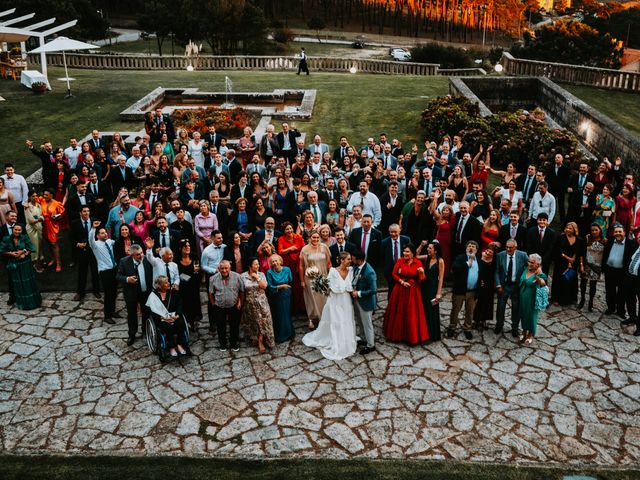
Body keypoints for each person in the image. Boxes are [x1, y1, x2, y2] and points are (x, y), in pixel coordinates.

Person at [302, 252, 358, 360]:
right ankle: (337, 342)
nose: (350, 261)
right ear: (341, 260)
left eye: (350, 259)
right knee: (337, 321)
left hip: (346, 300)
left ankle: (346, 339)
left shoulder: (351, 270)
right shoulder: (333, 271)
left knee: (346, 319)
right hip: (335, 301)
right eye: (348, 259)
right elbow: (328, 286)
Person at [383, 244, 429, 344]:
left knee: (411, 313)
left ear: (413, 253)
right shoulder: (400, 260)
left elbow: (422, 280)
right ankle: (396, 335)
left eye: (407, 252)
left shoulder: (418, 263)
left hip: (413, 290)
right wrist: (401, 281)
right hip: (399, 289)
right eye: (404, 251)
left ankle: (411, 337)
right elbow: (394, 274)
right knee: (398, 312)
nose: (405, 253)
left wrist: (421, 273)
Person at [116, 244, 153, 346]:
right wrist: (128, 279)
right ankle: (132, 334)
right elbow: (118, 276)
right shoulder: (124, 261)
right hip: (131, 293)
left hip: (145, 292)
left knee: (146, 312)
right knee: (132, 315)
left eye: (141, 253)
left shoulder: (147, 259)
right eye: (137, 255)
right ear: (132, 255)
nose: (141, 256)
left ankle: (145, 332)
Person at [146, 275, 191, 358]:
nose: (169, 283)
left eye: (168, 282)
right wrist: (163, 318)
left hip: (174, 316)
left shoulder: (173, 293)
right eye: (166, 283)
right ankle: (171, 347)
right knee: (167, 327)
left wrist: (177, 315)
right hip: (161, 318)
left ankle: (179, 344)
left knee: (180, 323)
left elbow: (179, 305)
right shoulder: (153, 296)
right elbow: (152, 311)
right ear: (160, 285)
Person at [0, 224, 41, 310]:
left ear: (22, 231)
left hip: (25, 264)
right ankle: (22, 303)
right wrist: (11, 253)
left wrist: (24, 252)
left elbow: (31, 248)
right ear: (13, 230)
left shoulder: (25, 237)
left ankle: (32, 302)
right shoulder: (6, 239)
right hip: (14, 265)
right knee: (18, 283)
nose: (17, 231)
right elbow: (2, 250)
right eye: (16, 230)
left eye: (19, 230)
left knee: (27, 282)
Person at [494, 239, 529, 336]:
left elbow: (529, 267)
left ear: (516, 248)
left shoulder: (522, 255)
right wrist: (498, 285)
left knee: (516, 307)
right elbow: (496, 271)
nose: (508, 249)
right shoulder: (500, 255)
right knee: (500, 306)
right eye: (507, 247)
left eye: (511, 247)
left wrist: (524, 279)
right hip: (503, 285)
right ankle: (499, 325)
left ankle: (515, 327)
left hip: (516, 285)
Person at [241, 258, 276, 353]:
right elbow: (242, 290)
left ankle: (262, 342)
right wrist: (241, 302)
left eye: (258, 264)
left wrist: (256, 277)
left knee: (264, 322)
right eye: (255, 264)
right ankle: (256, 340)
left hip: (262, 303)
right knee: (254, 322)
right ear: (250, 266)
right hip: (250, 303)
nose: (258, 266)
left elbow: (264, 286)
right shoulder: (243, 276)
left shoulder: (261, 274)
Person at [448, 241, 481, 340]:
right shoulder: (460, 258)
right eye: (469, 246)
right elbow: (455, 269)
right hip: (460, 290)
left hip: (473, 291)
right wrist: (467, 263)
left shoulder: (479, 260)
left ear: (476, 250)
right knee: (455, 310)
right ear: (466, 249)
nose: (471, 248)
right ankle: (452, 327)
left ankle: (467, 329)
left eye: (473, 246)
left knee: (470, 311)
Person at [209, 260, 244, 352]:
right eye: (222, 268)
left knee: (234, 325)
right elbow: (211, 293)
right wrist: (213, 304)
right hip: (219, 306)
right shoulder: (213, 278)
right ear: (218, 269)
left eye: (226, 268)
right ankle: (222, 343)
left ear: (230, 268)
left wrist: (241, 302)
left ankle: (234, 343)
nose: (224, 270)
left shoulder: (237, 277)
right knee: (220, 326)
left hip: (234, 305)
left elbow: (242, 291)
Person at [299, 230, 332, 330]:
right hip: (310, 277)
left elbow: (329, 263)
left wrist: (331, 276)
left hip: (323, 276)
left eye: (317, 237)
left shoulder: (324, 247)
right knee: (312, 298)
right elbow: (301, 266)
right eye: (313, 237)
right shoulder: (305, 250)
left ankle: (323, 317)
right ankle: (312, 318)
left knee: (323, 297)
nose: (316, 239)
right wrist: (302, 281)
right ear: (309, 238)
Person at [88, 221, 118, 324]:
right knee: (108, 294)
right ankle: (107, 316)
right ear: (97, 235)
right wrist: (93, 228)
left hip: (114, 269)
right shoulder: (95, 245)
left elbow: (119, 243)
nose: (105, 234)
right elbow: (90, 239)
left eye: (105, 232)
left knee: (114, 293)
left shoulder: (109, 241)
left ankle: (113, 311)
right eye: (102, 233)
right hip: (105, 272)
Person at [603, 224, 634, 319]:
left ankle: (621, 311)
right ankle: (611, 308)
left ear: (624, 232)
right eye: (616, 232)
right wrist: (604, 268)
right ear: (613, 233)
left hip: (622, 272)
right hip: (609, 270)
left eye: (620, 231)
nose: (618, 233)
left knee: (622, 292)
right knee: (609, 291)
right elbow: (605, 253)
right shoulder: (610, 241)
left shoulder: (630, 244)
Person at [71, 206, 101, 301]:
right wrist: (77, 244)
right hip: (82, 251)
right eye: (84, 211)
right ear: (80, 213)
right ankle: (80, 292)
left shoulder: (94, 221)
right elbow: (70, 237)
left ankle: (96, 290)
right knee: (82, 272)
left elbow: (99, 234)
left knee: (95, 271)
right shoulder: (75, 223)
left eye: (88, 211)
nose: (87, 213)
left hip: (93, 250)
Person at [350, 250, 378, 354]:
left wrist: (359, 293)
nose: (351, 260)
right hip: (357, 300)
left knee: (367, 324)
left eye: (353, 258)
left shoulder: (369, 272)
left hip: (366, 302)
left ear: (359, 260)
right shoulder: (356, 267)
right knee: (360, 322)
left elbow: (373, 290)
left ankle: (371, 345)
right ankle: (363, 339)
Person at [551, 222, 584, 307]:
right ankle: (556, 299)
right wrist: (568, 259)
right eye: (567, 228)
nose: (568, 230)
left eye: (570, 228)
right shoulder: (560, 238)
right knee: (559, 280)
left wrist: (576, 262)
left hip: (573, 264)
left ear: (574, 230)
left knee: (571, 281)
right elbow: (557, 250)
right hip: (561, 262)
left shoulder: (579, 239)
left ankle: (571, 299)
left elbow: (580, 252)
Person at [518, 253, 548, 345]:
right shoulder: (526, 269)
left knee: (531, 316)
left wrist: (539, 279)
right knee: (523, 314)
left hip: (532, 298)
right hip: (522, 296)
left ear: (538, 265)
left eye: (532, 262)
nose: (529, 264)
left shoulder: (540, 274)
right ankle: (524, 331)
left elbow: (543, 283)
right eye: (529, 261)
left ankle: (531, 334)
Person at [419, 241, 444, 342]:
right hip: (424, 287)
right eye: (428, 248)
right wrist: (421, 245)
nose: (428, 249)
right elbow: (415, 256)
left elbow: (441, 278)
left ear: (436, 250)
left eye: (430, 248)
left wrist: (438, 293)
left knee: (432, 310)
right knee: (424, 309)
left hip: (433, 288)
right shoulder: (427, 257)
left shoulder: (440, 261)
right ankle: (423, 333)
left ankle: (432, 334)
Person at [266, 254, 295, 343]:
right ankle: (281, 335)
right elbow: (270, 286)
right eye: (272, 261)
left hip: (286, 294)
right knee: (278, 314)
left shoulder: (287, 269)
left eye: (276, 261)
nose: (275, 263)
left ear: (280, 261)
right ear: (270, 263)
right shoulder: (269, 272)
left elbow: (290, 279)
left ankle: (289, 333)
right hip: (276, 295)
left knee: (286, 313)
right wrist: (281, 286)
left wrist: (284, 287)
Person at [579, 223, 606, 312]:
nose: (594, 232)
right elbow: (582, 253)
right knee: (583, 284)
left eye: (596, 230)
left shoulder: (604, 241)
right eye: (592, 230)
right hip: (586, 265)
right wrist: (581, 265)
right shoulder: (587, 239)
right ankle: (582, 300)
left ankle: (591, 302)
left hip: (597, 267)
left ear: (600, 230)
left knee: (593, 285)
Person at [37, 189, 65, 272]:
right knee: (47, 242)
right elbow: (33, 200)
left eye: (46, 195)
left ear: (51, 195)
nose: (44, 196)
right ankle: (53, 258)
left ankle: (58, 262)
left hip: (53, 225)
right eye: (44, 194)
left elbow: (62, 215)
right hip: (43, 224)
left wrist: (56, 217)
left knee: (54, 243)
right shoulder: (42, 200)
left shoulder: (57, 204)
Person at [177, 239, 202, 329]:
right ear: (180, 248)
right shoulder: (177, 259)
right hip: (183, 286)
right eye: (185, 246)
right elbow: (178, 273)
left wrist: (196, 272)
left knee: (194, 302)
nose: (188, 248)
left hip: (194, 285)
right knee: (185, 303)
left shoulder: (194, 256)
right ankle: (186, 321)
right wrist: (190, 275)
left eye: (189, 246)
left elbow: (199, 271)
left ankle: (194, 321)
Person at [473, 246, 497, 331]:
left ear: (493, 255)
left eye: (490, 252)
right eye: (487, 250)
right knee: (478, 301)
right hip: (479, 281)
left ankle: (484, 320)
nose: (487, 253)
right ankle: (476, 320)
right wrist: (479, 281)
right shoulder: (479, 257)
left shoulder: (494, 261)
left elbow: (493, 273)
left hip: (489, 284)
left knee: (487, 302)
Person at [24, 192, 44, 273]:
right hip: (32, 229)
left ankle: (39, 261)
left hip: (39, 227)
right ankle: (35, 264)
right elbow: (31, 221)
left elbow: (42, 215)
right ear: (29, 197)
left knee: (40, 245)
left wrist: (40, 219)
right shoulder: (27, 206)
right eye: (33, 196)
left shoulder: (39, 205)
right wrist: (39, 219)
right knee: (34, 246)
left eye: (36, 196)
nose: (35, 197)